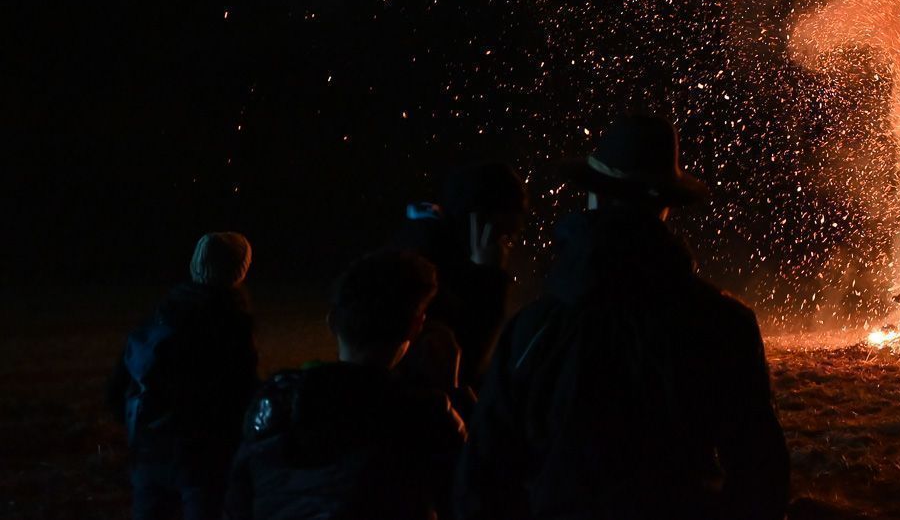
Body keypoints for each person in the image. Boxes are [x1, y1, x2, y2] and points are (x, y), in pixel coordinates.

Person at [458, 112, 788, 520]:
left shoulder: (534, 332)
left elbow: (482, 483)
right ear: (665, 208)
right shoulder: (723, 325)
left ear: (593, 197)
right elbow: (761, 477)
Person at [226, 250, 465, 520]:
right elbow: (473, 493)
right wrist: (454, 394)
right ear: (415, 326)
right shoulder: (425, 416)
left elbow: (237, 500)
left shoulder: (275, 401)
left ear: (331, 322)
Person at [109, 233, 260, 520]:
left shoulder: (164, 313)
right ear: (239, 271)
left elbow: (119, 385)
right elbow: (241, 395)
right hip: (202, 457)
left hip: (150, 450)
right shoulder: (231, 324)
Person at [391, 161, 529, 397]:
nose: (506, 249)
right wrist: (490, 278)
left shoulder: (441, 246)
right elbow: (465, 369)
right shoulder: (426, 270)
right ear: (481, 223)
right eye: (506, 237)